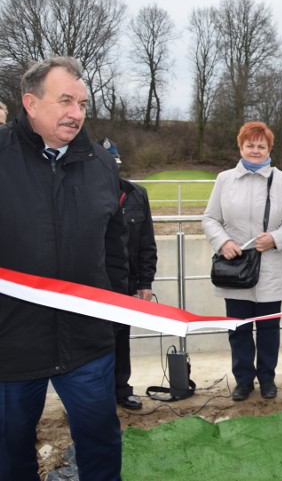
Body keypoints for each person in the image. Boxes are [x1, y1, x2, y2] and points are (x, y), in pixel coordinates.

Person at [0, 56, 128, 480]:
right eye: (66, 101)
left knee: (101, 443)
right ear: (31, 104)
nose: (77, 113)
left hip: (87, 345)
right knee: (10, 450)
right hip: (11, 345)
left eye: (84, 104)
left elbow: (114, 249)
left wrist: (116, 312)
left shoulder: (101, 164)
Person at [202, 121, 282, 401]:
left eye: (261, 146)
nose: (255, 151)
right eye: (250, 145)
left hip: (272, 266)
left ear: (270, 148)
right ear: (241, 146)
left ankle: (267, 379)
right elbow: (211, 218)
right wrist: (224, 242)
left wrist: (275, 238)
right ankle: (243, 380)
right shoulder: (225, 179)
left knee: (269, 328)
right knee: (239, 328)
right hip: (235, 268)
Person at [99, 138, 158, 411]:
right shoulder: (83, 196)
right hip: (93, 285)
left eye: (114, 163)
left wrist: (145, 281)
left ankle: (122, 390)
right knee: (93, 345)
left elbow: (146, 242)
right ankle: (91, 398)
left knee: (122, 339)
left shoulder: (137, 194)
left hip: (126, 284)